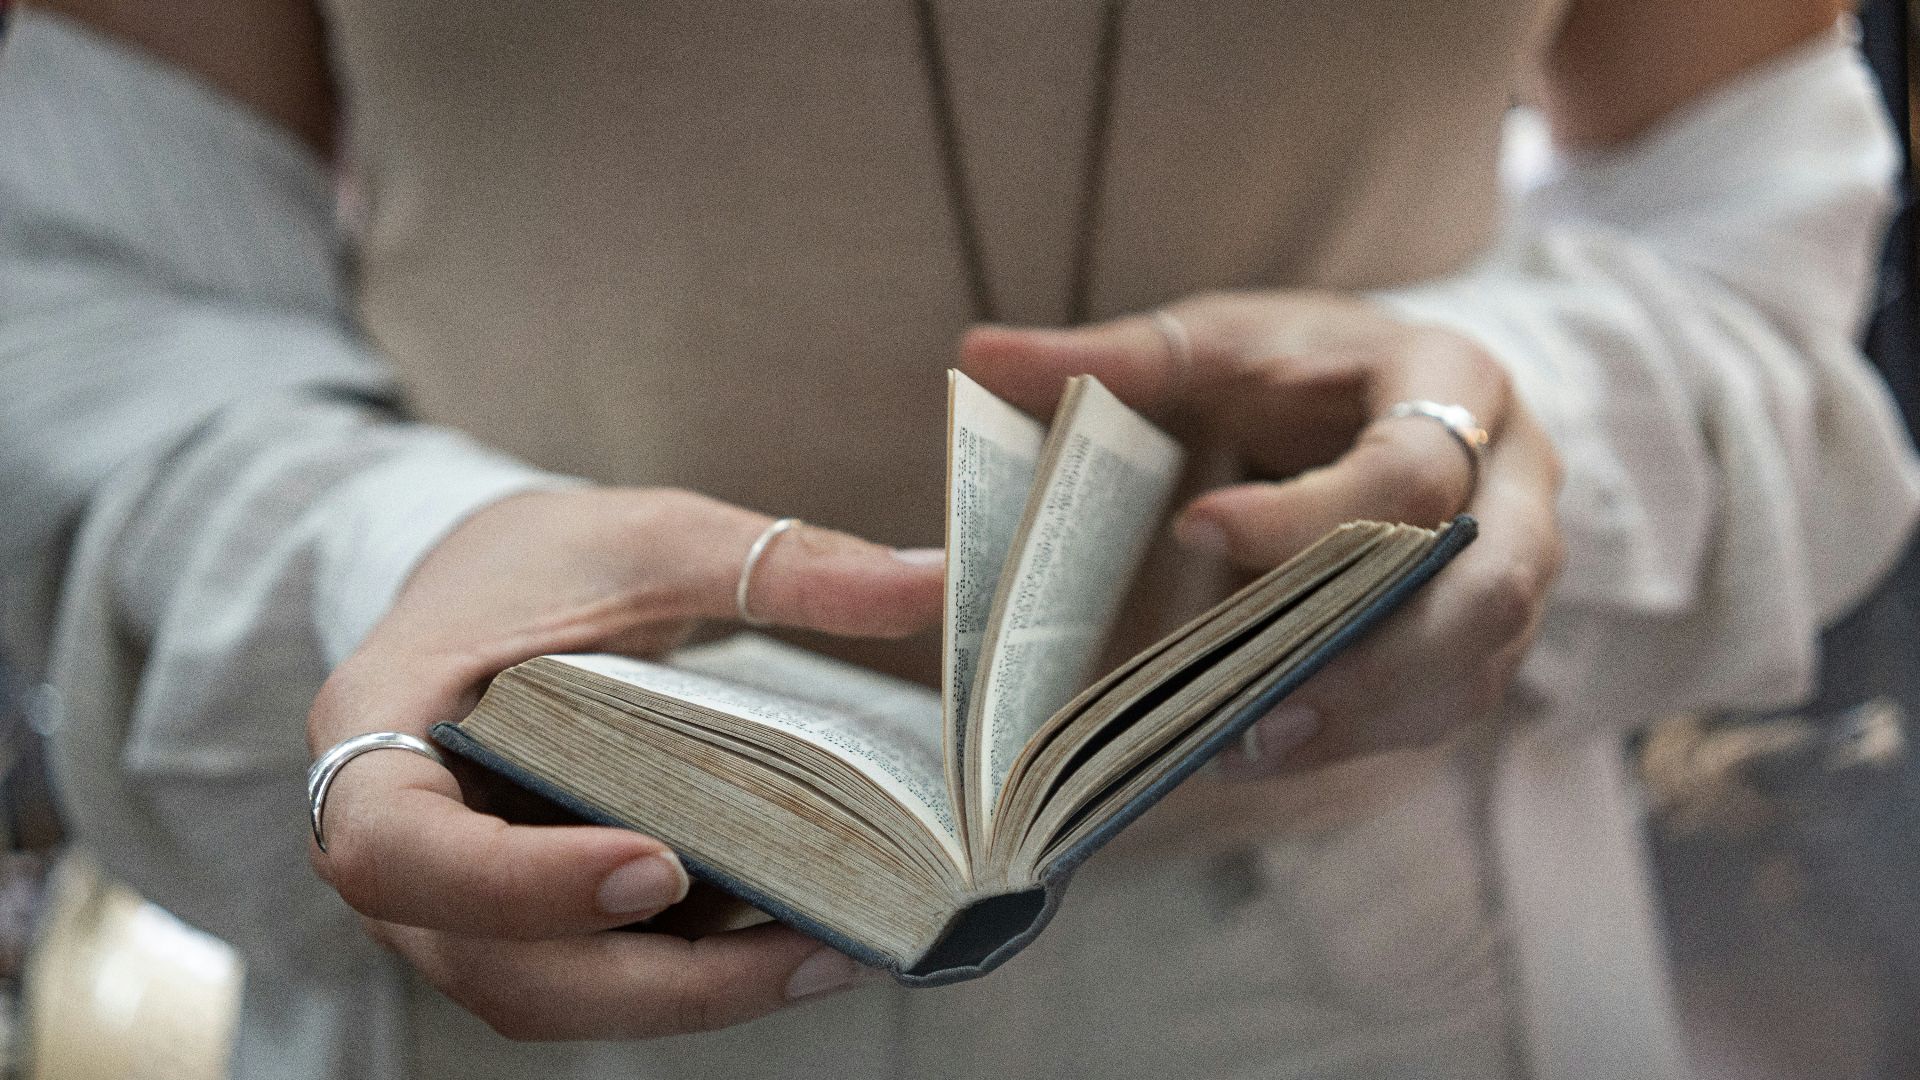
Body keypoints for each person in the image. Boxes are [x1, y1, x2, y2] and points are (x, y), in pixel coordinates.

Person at [1, 0, 1914, 1077]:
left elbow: (1745, 205)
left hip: (1372, 961)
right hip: (533, 955)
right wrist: (393, 553)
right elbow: (86, 284)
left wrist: (1504, 410)